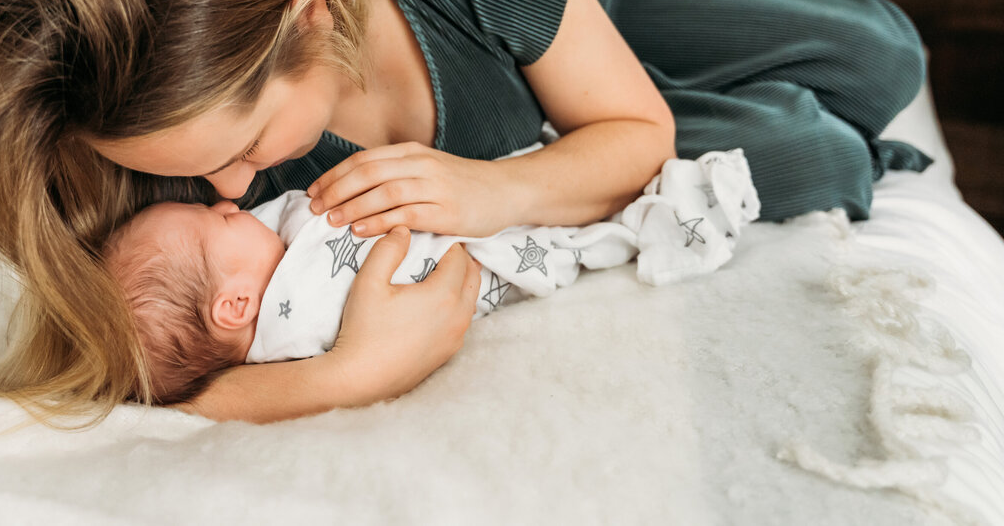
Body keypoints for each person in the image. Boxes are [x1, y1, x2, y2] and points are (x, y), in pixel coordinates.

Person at [0, 0, 929, 425]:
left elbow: (635, 130)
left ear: (313, 22)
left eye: (244, 144)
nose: (226, 189)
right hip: (554, 132)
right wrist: (347, 376)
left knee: (884, 59)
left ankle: (657, 15)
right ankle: (787, 115)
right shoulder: (164, 143)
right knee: (826, 157)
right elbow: (121, 376)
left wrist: (492, 190)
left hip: (567, 29)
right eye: (194, 168)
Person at [104, 147, 757, 405]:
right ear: (235, 304)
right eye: (215, 221)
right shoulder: (293, 332)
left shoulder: (275, 232)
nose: (227, 202)